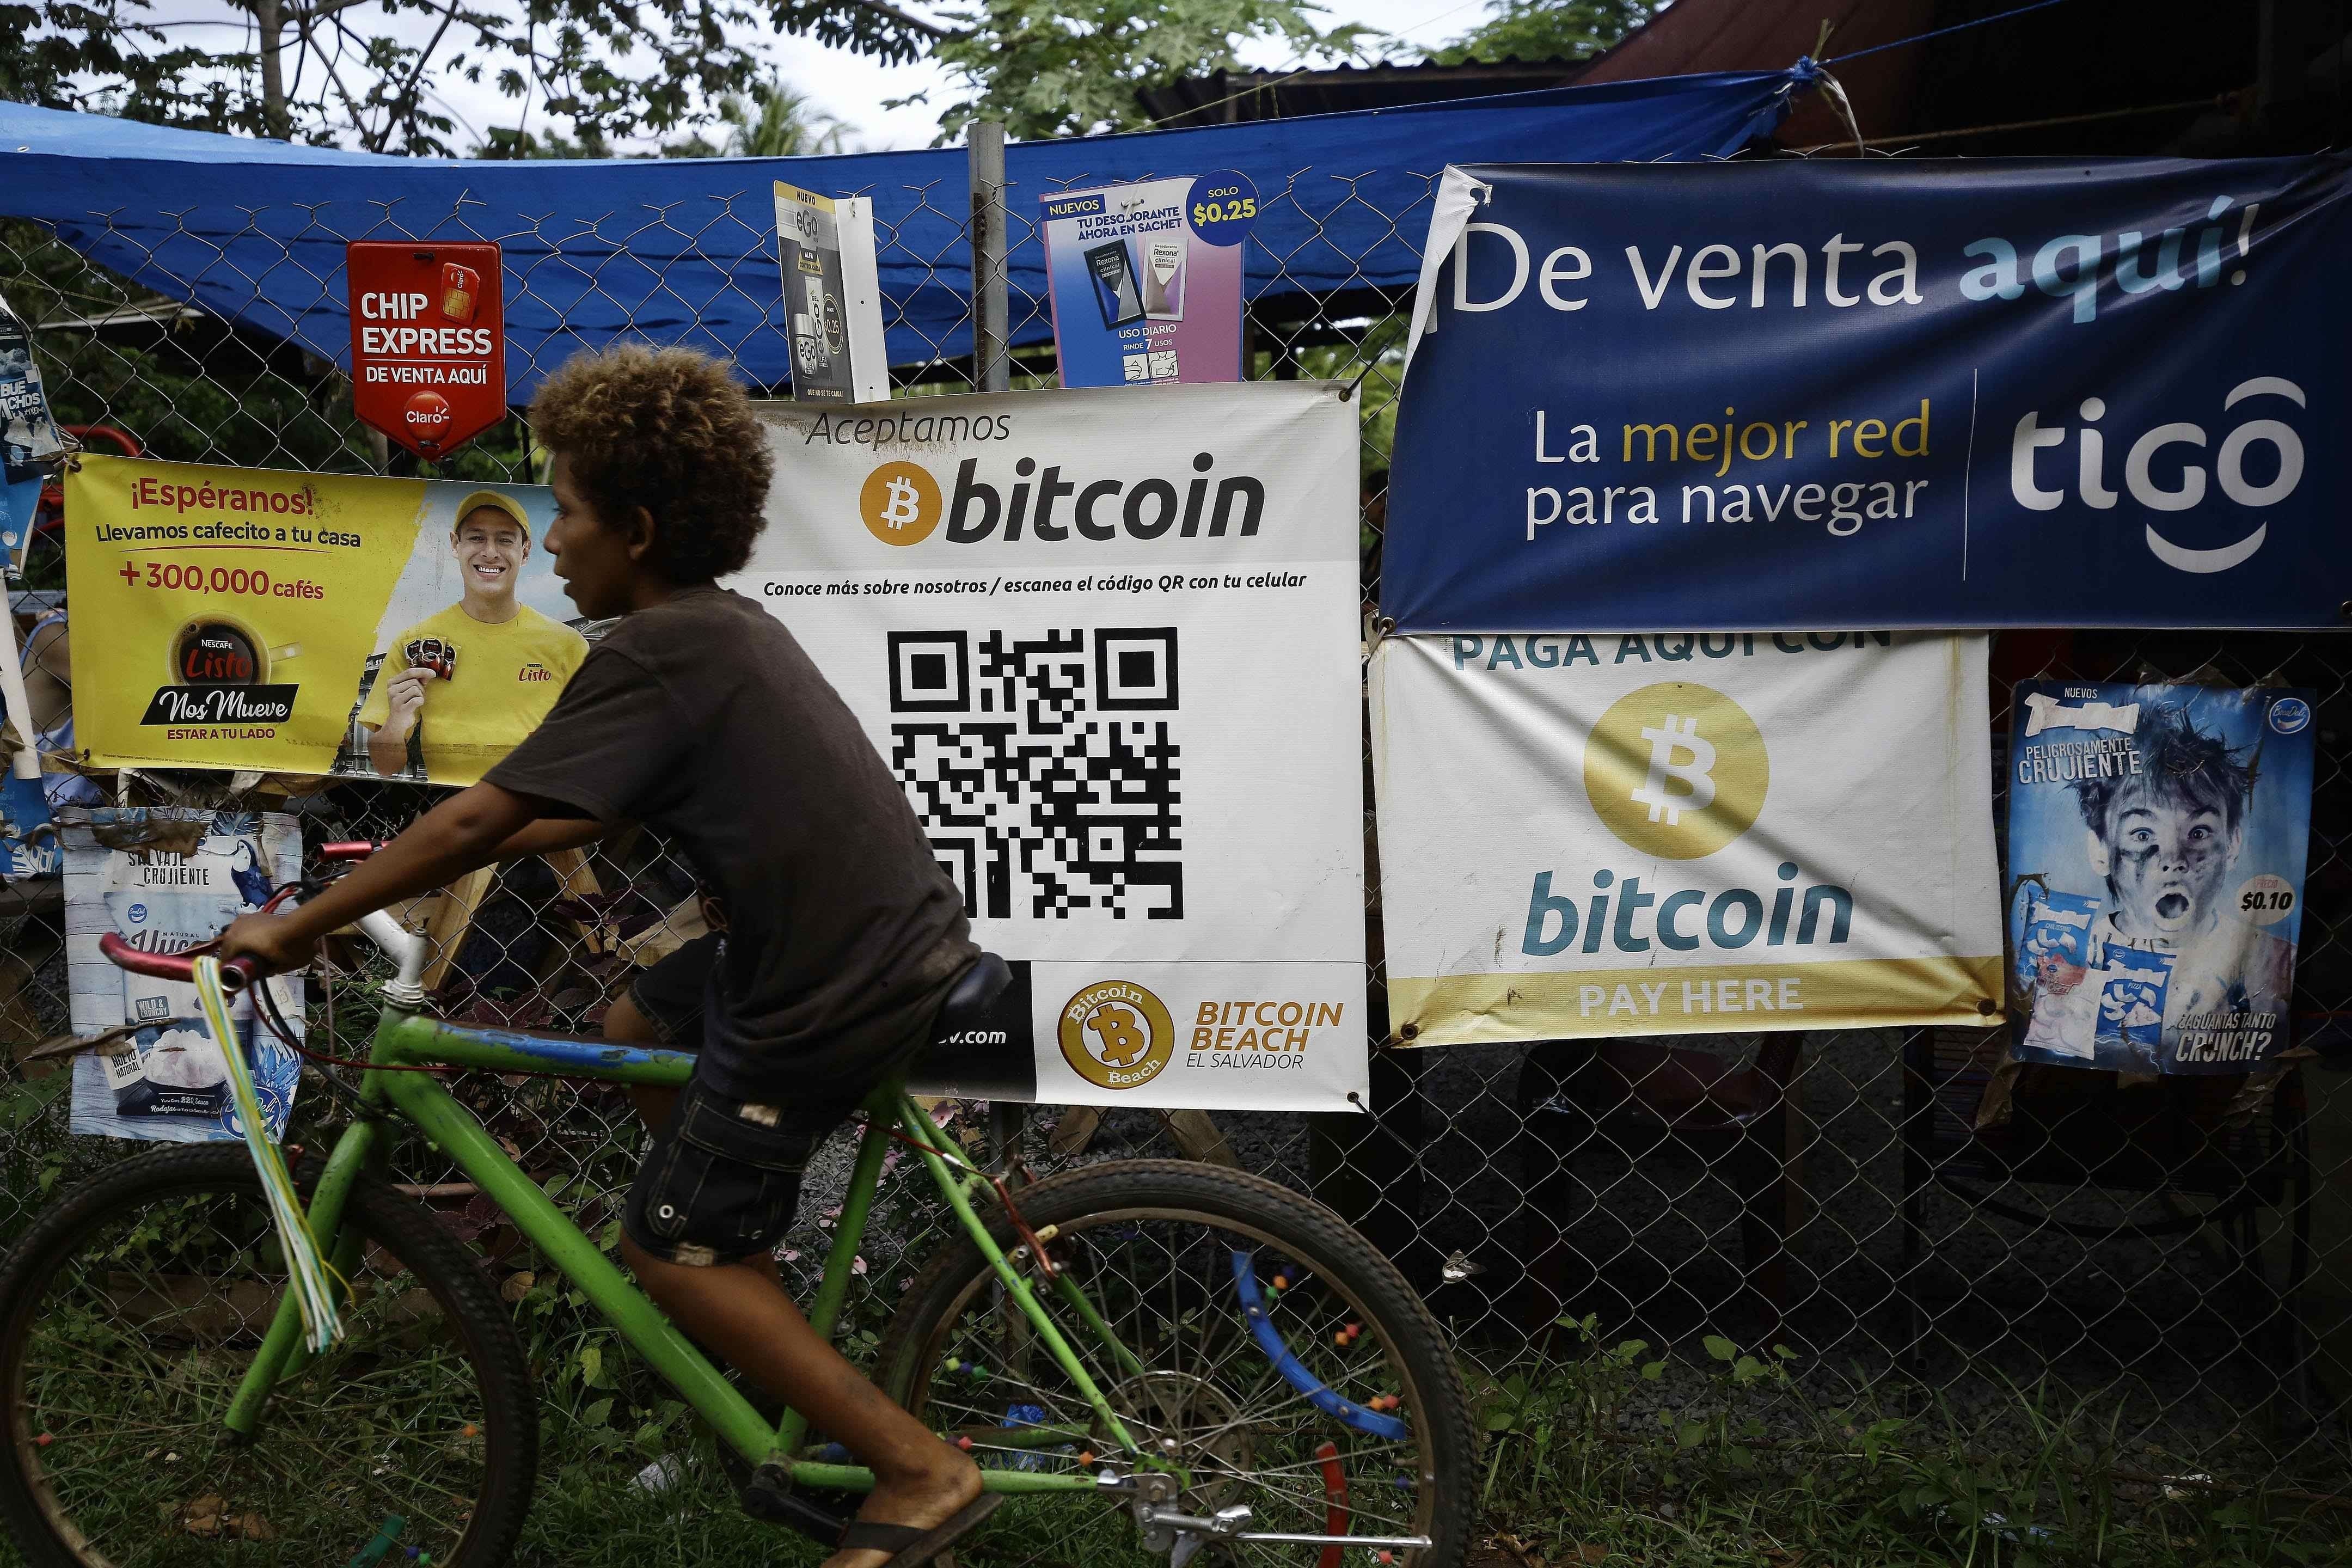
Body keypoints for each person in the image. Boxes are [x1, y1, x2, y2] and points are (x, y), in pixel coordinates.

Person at [220, 345, 994, 1568]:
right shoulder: (709, 631)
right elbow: (570, 809)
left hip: (825, 986)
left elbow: (479, 815)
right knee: (632, 1028)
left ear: (632, 528)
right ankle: (740, 1266)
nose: (550, 537)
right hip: (848, 943)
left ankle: (914, 1467)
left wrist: (297, 922)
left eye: (565, 511)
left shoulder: (656, 650)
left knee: (657, 1246)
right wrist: (469, 850)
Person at [2033, 704, 2294, 1070]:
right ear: (2100, 850)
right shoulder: (2067, 957)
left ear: (2232, 844)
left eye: (2199, 832)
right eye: (2142, 834)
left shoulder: (2275, 963)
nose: (2174, 858)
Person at [357, 491, 589, 782]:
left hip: (538, 809)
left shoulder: (567, 645)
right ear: (456, 544)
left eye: (505, 539)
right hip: (449, 809)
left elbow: (592, 747)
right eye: (477, 538)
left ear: (525, 551)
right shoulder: (415, 643)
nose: (490, 552)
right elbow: (385, 765)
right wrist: (396, 723)